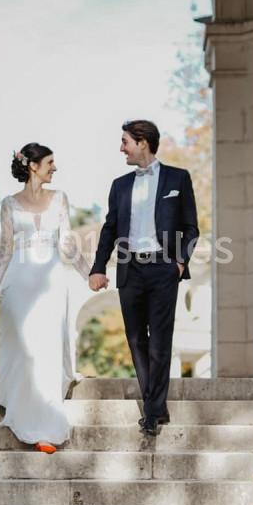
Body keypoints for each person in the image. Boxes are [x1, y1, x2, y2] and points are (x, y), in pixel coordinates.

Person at [88, 120, 199, 436]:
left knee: (160, 342)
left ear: (143, 143)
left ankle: (151, 412)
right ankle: (157, 405)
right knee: (136, 339)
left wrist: (179, 262)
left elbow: (191, 227)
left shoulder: (179, 178)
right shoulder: (119, 185)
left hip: (164, 268)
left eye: (125, 141)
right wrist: (98, 267)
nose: (121, 148)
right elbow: (110, 228)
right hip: (130, 269)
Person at [0, 142, 92, 453]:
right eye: (50, 162)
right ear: (32, 165)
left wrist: (90, 274)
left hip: (50, 283)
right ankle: (20, 413)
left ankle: (44, 426)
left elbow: (69, 244)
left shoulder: (60, 199)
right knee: (22, 348)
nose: (54, 168)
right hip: (17, 282)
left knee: (45, 347)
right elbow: (4, 250)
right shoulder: (8, 204)